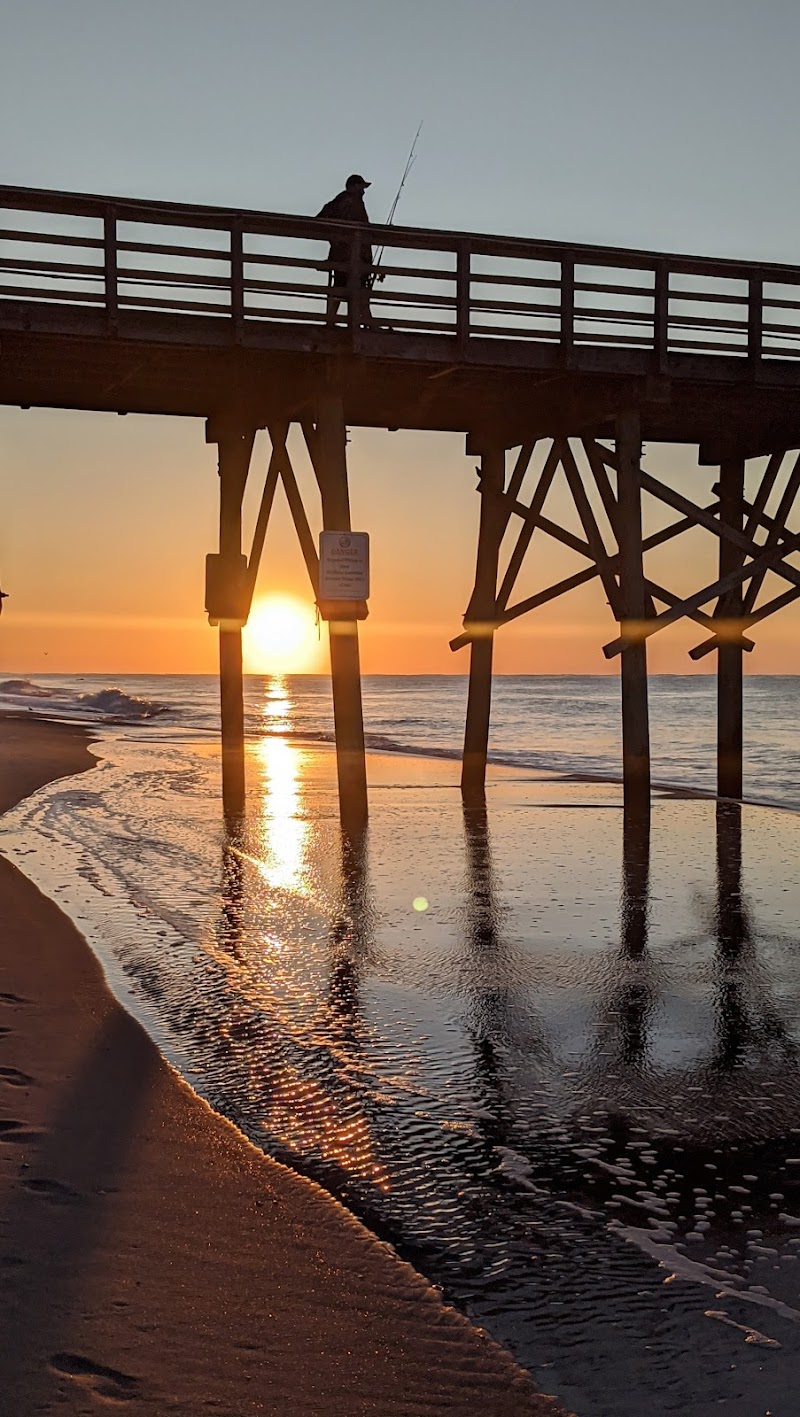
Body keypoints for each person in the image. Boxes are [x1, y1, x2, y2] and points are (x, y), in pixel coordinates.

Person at [316, 174, 373, 326]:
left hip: (341, 256)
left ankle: (331, 321)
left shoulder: (337, 202)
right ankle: (366, 324)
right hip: (353, 257)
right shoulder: (352, 202)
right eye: (362, 187)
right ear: (354, 186)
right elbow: (364, 230)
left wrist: (334, 239)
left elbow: (319, 220)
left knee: (341, 288)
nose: (364, 191)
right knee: (358, 290)